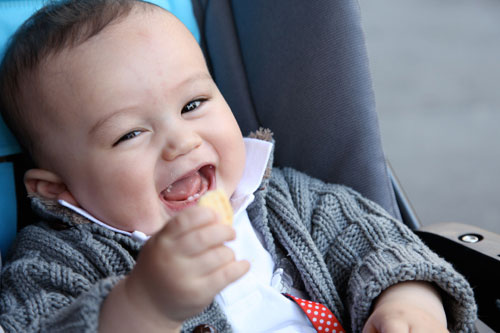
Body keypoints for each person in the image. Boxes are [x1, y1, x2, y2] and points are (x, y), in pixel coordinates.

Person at [0, 0, 477, 332]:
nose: (181, 141)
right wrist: (143, 306)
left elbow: (385, 247)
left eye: (193, 104)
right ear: (58, 190)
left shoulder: (294, 203)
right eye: (130, 134)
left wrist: (410, 302)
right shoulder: (55, 262)